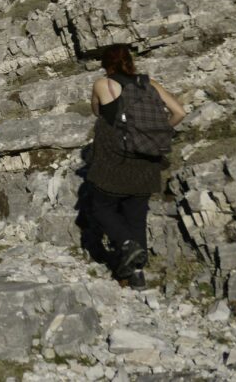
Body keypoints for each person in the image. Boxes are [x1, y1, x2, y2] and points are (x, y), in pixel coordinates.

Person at [86, 43, 186, 290]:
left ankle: (127, 244)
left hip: (115, 158)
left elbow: (96, 112)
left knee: (102, 207)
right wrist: (160, 132)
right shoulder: (149, 83)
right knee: (136, 216)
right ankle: (137, 276)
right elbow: (179, 112)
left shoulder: (103, 84)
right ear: (130, 61)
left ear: (105, 63)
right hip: (147, 159)